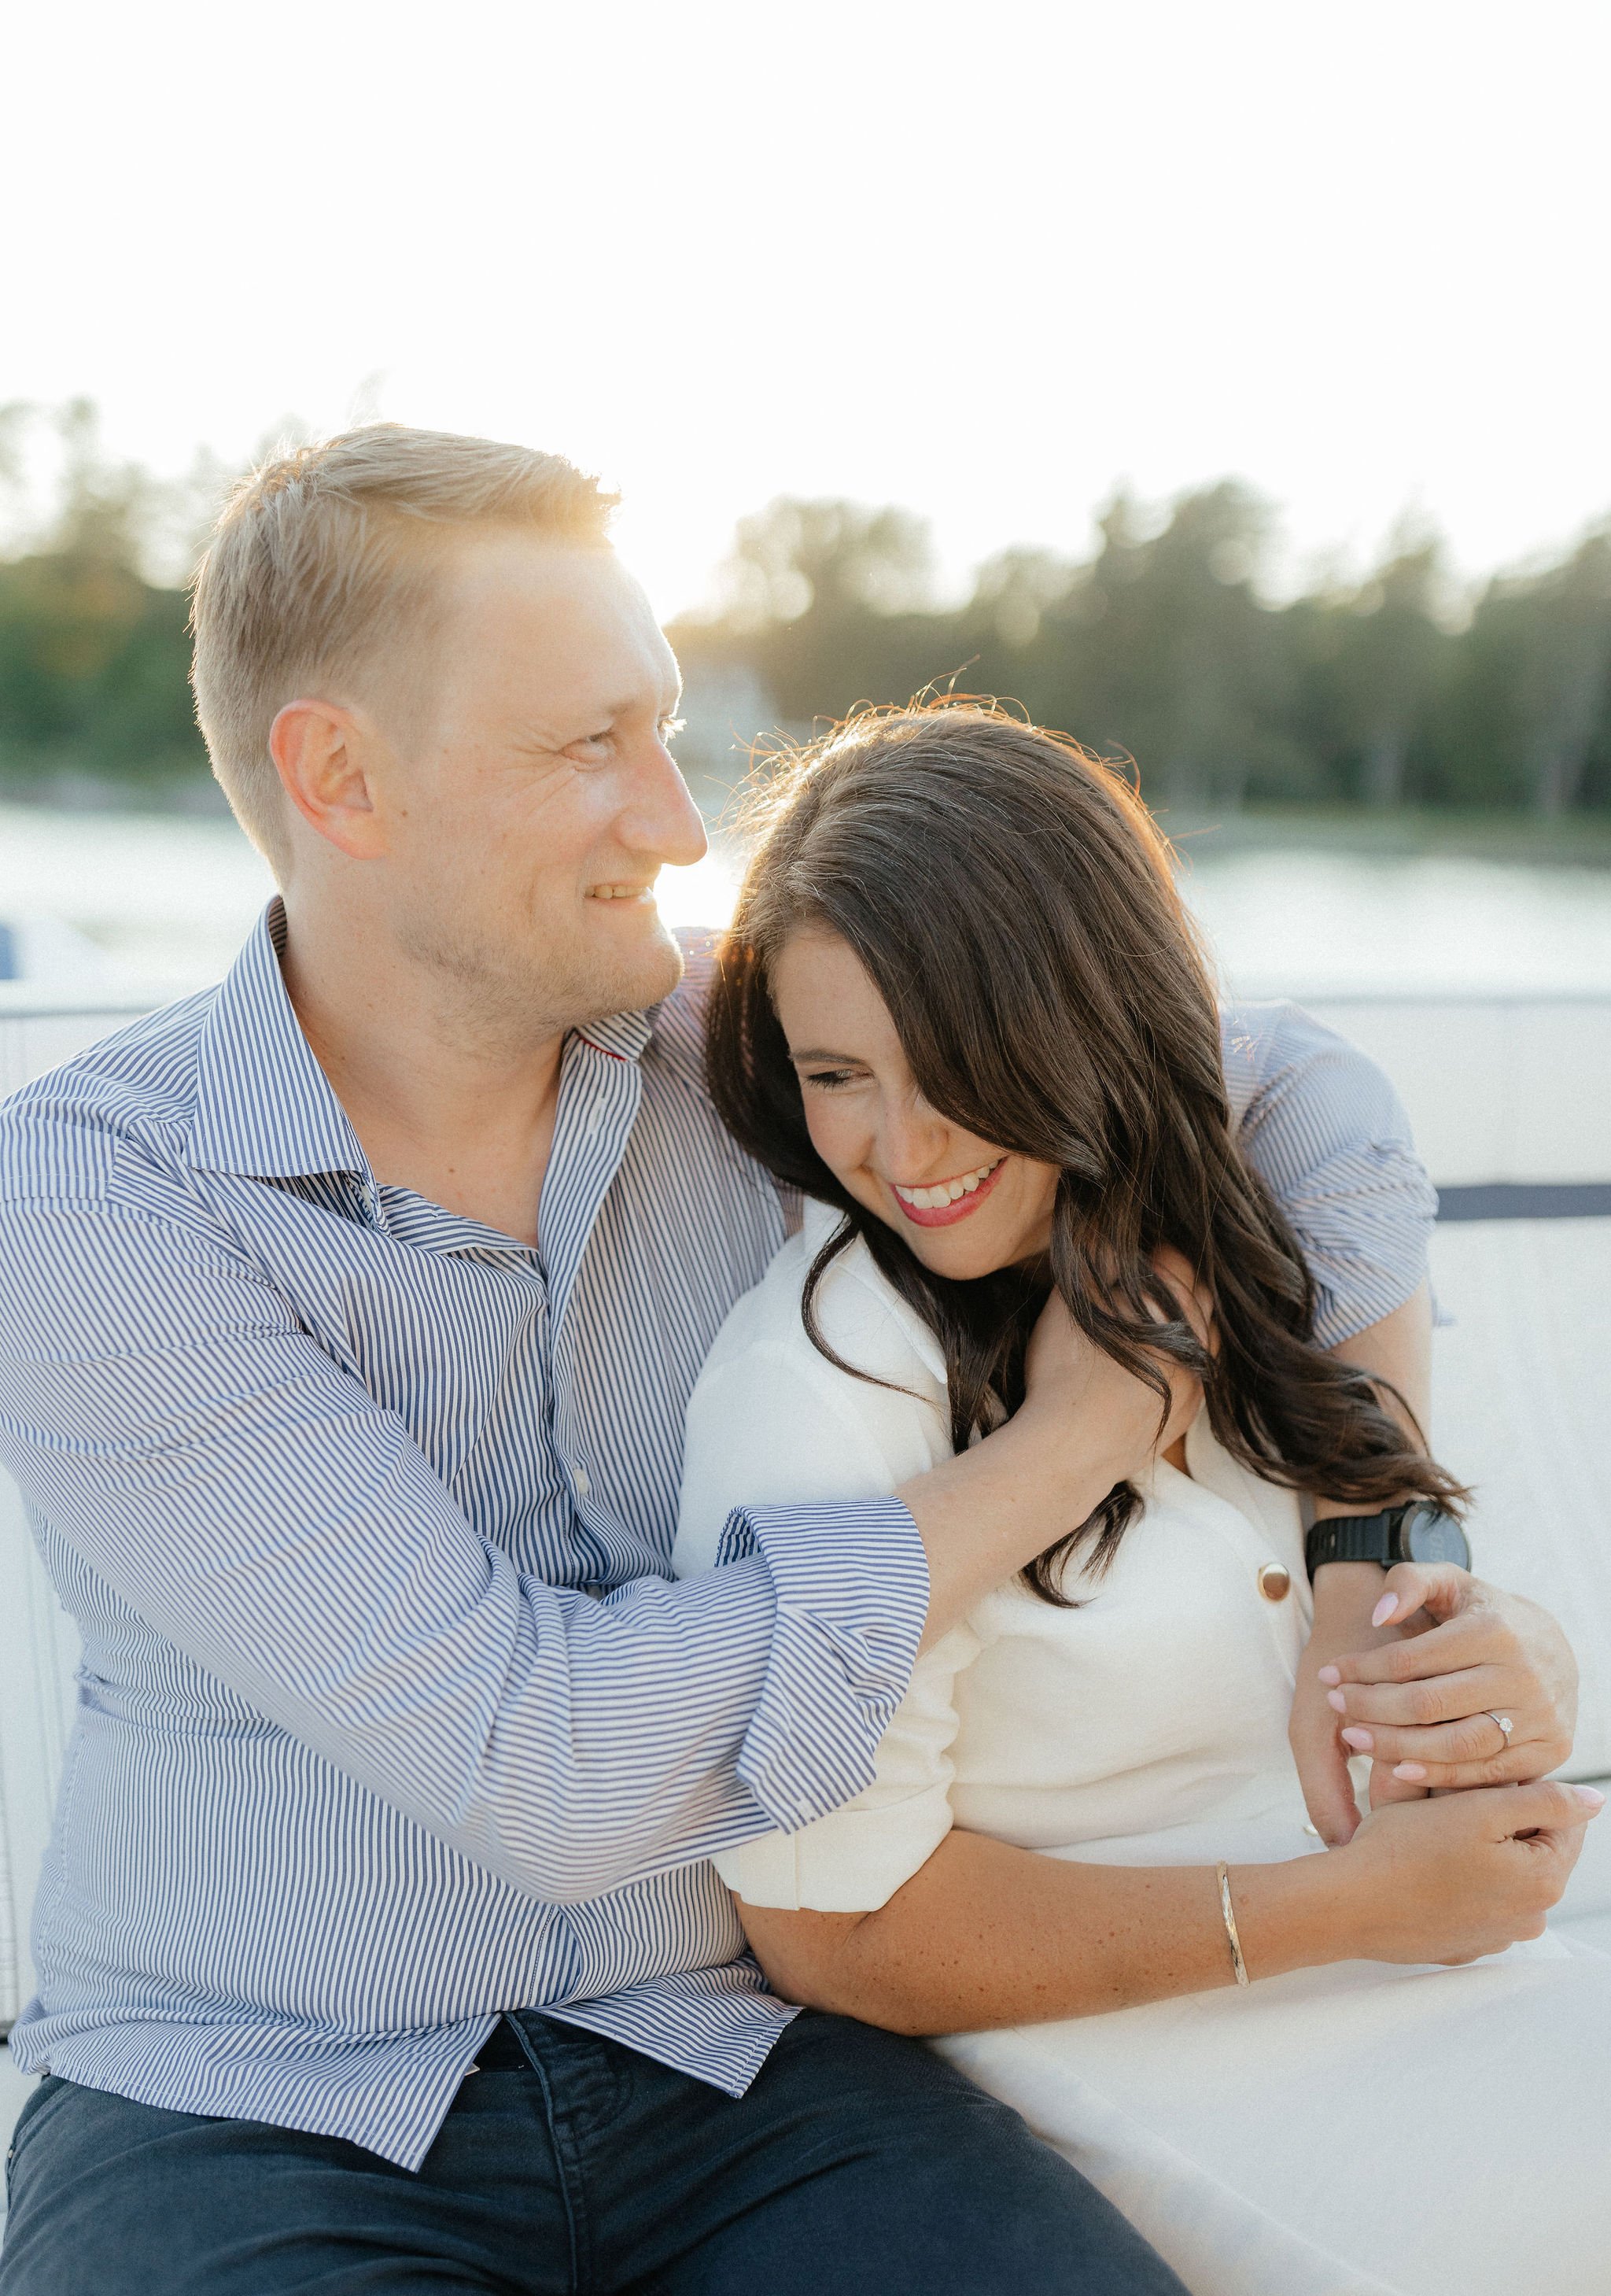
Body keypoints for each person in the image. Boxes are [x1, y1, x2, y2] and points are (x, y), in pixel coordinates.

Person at [0, 431, 1573, 2296]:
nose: (675, 823)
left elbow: (1292, 1084)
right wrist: (1065, 1444)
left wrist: (1365, 1545)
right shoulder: (94, 1205)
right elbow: (551, 1766)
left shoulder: (736, 1047)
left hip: (743, 2063)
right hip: (250, 2100)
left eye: (661, 731)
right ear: (341, 778)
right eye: (591, 746)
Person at [670, 700, 1609, 2296]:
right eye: (837, 1075)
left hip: (1433, 1960)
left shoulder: (1248, 1243)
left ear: (1088, 1010)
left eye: (953, 1065)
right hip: (1128, 2049)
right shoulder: (826, 1381)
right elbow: (836, 1935)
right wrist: (1340, 1910)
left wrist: (1505, 1673)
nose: (901, 1147)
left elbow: (1398, 1608)